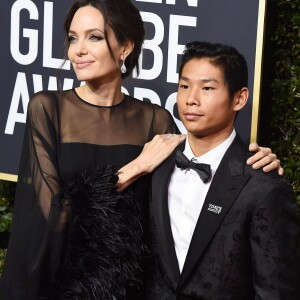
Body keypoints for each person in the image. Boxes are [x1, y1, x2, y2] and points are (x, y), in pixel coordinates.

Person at [0, 1, 283, 299]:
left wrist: (255, 166)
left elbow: (197, 185)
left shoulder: (154, 119)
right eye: (73, 38)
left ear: (125, 47)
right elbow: (56, 216)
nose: (77, 50)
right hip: (63, 288)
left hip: (132, 290)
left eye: (93, 37)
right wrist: (136, 167)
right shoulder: (47, 109)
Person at [146, 41, 300, 299]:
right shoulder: (157, 165)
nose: (191, 99)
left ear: (239, 98)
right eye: (184, 86)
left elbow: (277, 291)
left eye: (207, 88)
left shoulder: (263, 186)